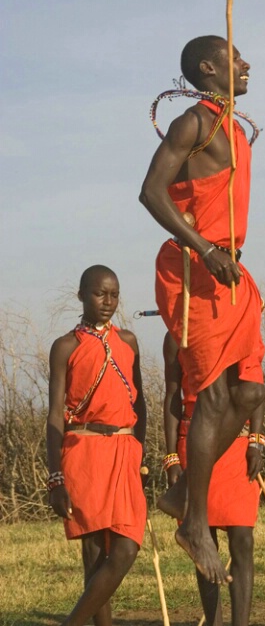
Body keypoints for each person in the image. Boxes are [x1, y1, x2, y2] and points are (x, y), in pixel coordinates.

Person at [139, 35, 265, 584]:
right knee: (211, 394)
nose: (246, 64)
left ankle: (184, 493)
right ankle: (194, 521)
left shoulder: (231, 125)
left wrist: (222, 254)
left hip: (229, 270)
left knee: (252, 391)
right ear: (209, 68)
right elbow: (151, 191)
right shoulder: (193, 122)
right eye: (236, 57)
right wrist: (205, 248)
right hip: (195, 270)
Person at [46, 265, 147, 626]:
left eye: (114, 294)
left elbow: (141, 404)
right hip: (83, 452)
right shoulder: (65, 347)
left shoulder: (129, 341)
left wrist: (141, 452)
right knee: (94, 556)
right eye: (99, 293)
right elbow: (55, 416)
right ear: (81, 295)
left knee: (125, 548)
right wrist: (55, 478)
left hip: (123, 450)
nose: (108, 302)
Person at [163, 331, 263, 626]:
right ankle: (215, 622)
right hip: (195, 439)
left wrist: (256, 440)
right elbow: (172, 397)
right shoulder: (176, 335)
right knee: (202, 537)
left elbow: (256, 382)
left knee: (243, 538)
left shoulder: (241, 326)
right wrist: (171, 458)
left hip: (236, 439)